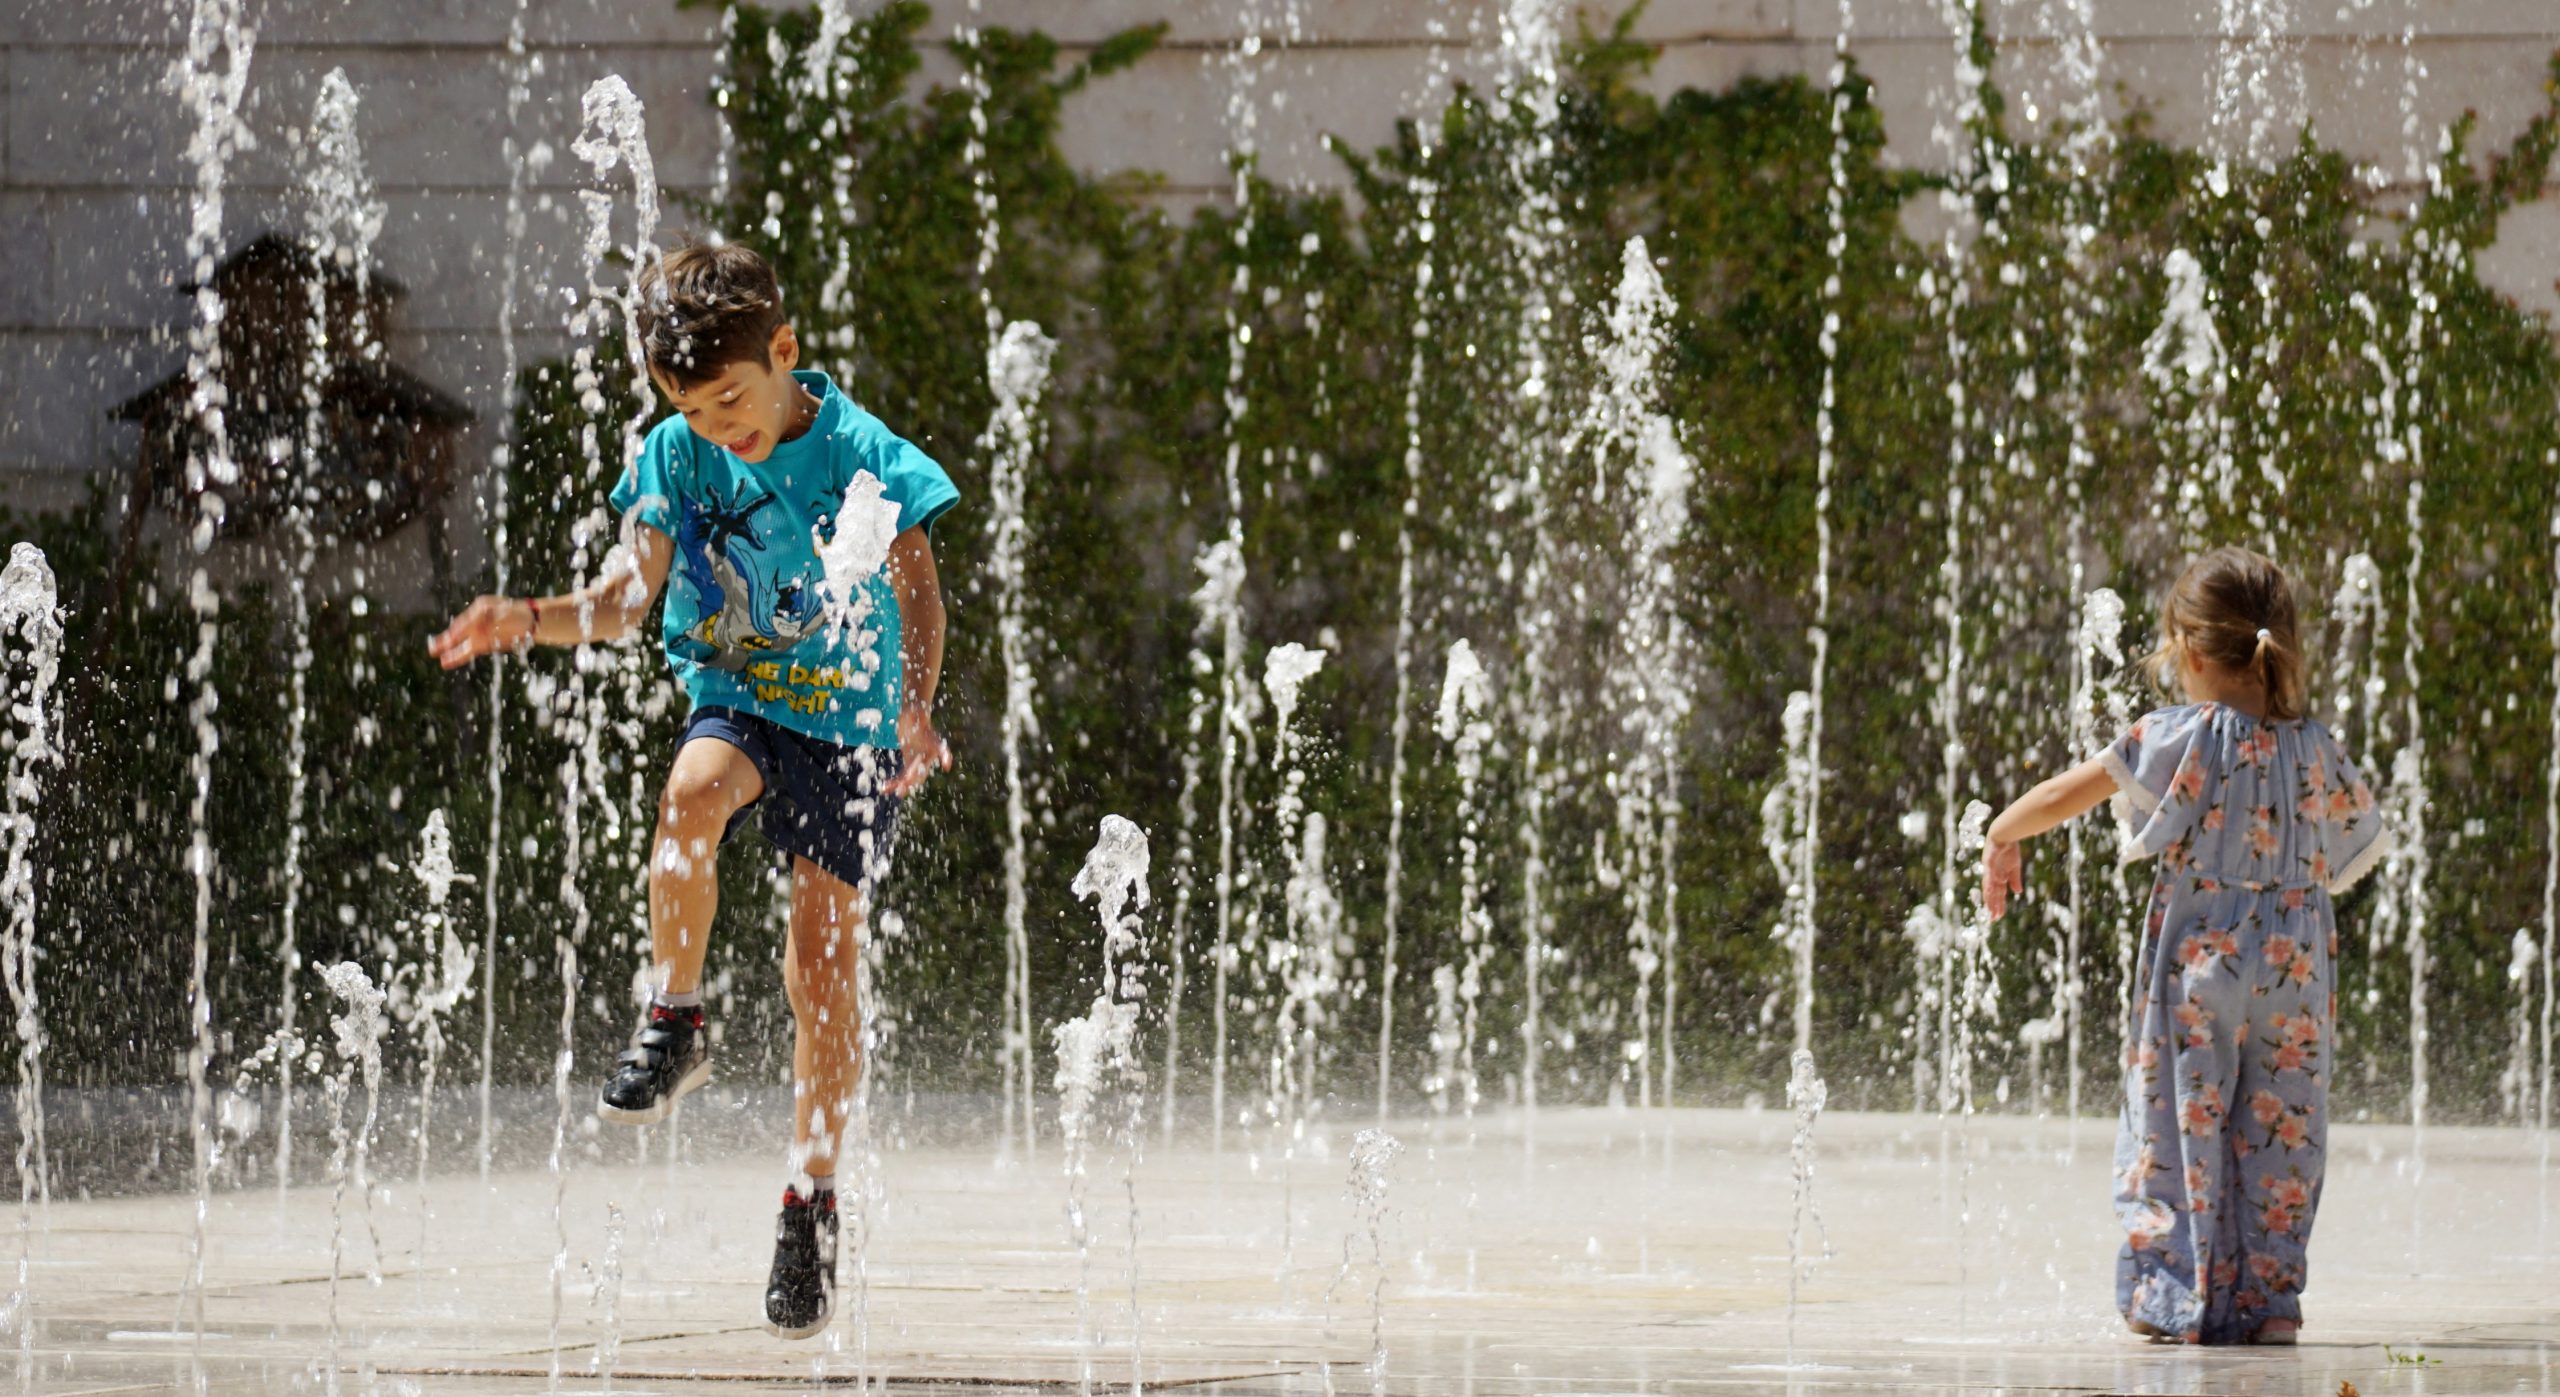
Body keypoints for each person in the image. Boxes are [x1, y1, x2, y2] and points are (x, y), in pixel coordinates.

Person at [428, 238, 956, 1340]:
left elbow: (919, 588)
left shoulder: (860, 451)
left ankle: (810, 1196)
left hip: (853, 731)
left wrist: (916, 707)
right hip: (746, 698)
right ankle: (676, 1016)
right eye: (692, 408)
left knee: (820, 968)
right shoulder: (675, 456)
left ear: (783, 351)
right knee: (690, 794)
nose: (719, 428)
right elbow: (626, 599)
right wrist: (528, 618)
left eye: (731, 400)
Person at [1978, 546, 2387, 1346]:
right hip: (2296, 976)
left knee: (2175, 1122)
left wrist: (2003, 830)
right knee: (2285, 1128)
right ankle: (2270, 1300)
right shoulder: (2317, 747)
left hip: (2202, 968)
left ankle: (2173, 1294)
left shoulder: (2182, 735)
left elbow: (2069, 790)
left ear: (2193, 652)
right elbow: (2358, 840)